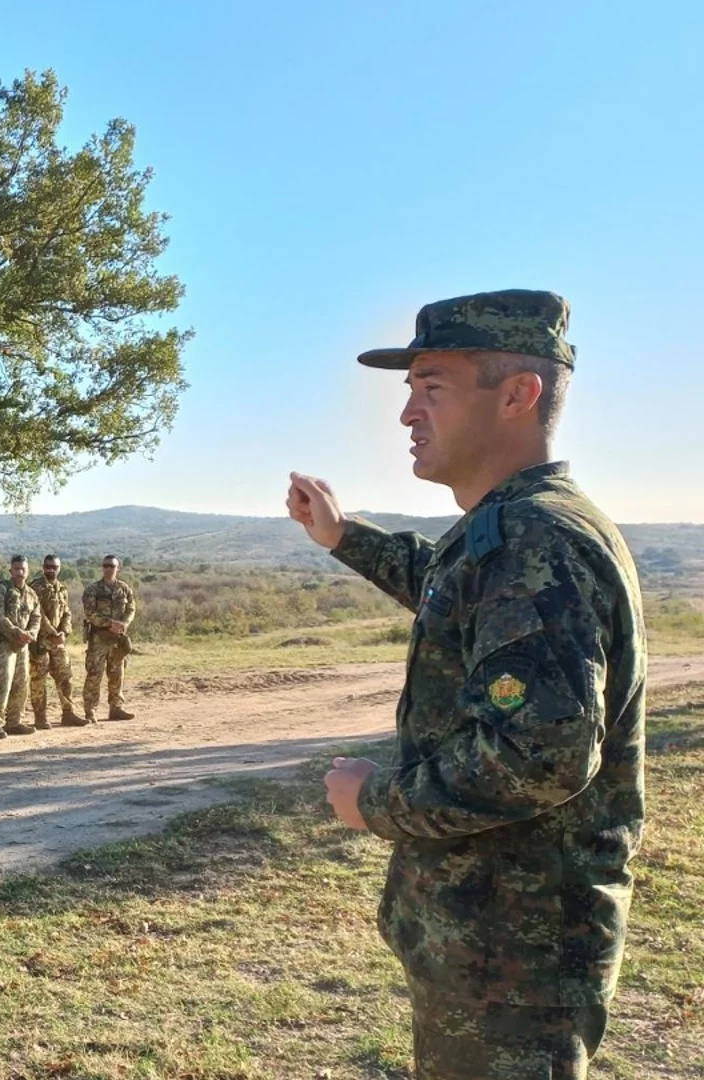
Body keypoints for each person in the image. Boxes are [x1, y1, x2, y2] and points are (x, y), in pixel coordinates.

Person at [291, 289, 642, 1079]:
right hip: (499, 949)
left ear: (519, 394)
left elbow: (540, 754)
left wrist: (374, 800)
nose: (409, 414)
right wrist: (344, 536)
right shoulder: (518, 528)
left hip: (514, 958)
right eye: (410, 390)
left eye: (433, 387)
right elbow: (454, 591)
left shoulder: (533, 536)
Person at [0, 555, 40, 738]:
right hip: (4, 643)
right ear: (10, 571)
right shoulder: (1, 589)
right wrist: (17, 632)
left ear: (28, 570)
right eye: (16, 569)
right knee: (3, 682)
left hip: (23, 644)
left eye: (23, 569)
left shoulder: (31, 594)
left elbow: (36, 617)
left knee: (21, 682)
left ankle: (14, 721)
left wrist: (30, 634)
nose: (20, 573)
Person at [28, 554, 87, 728]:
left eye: (54, 567)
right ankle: (40, 717)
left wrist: (63, 631)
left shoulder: (62, 589)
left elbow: (67, 613)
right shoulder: (36, 587)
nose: (51, 570)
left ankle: (68, 713)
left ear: (59, 568)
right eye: (48, 566)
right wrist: (52, 632)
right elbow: (38, 613)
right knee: (39, 680)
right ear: (43, 566)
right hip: (40, 641)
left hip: (58, 642)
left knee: (65, 676)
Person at [81, 556, 138, 722]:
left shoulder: (124, 589)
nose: (108, 568)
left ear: (117, 568)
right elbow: (90, 613)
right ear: (102, 568)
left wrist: (124, 624)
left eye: (112, 566)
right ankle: (90, 710)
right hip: (99, 637)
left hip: (118, 638)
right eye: (106, 565)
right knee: (94, 673)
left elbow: (131, 608)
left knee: (117, 672)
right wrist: (109, 623)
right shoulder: (93, 590)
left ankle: (116, 708)